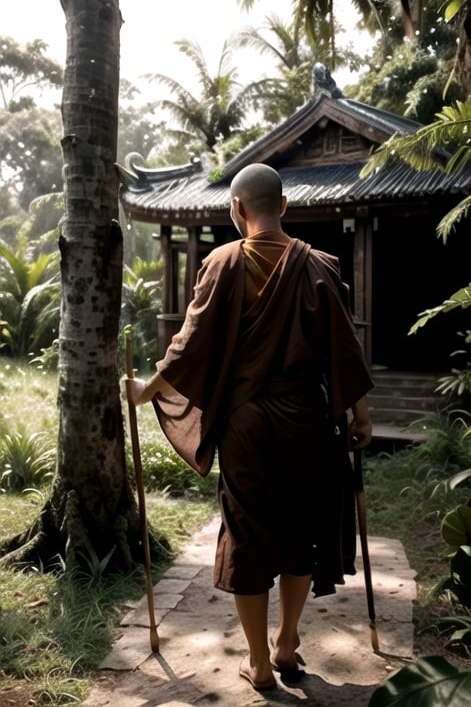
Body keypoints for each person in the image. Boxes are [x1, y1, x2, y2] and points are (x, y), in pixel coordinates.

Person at [126, 162, 373, 691]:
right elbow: (343, 350)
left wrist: (146, 390)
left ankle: (258, 661)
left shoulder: (221, 262)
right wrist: (362, 416)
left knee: (248, 535)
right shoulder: (322, 266)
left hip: (245, 427)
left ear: (237, 210)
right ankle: (287, 642)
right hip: (306, 422)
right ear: (283, 206)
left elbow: (189, 343)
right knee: (302, 530)